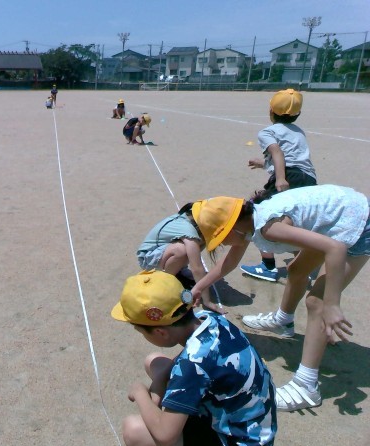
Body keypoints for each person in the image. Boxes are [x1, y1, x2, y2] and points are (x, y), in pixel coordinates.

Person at [189, 185, 370, 412]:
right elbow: (229, 263)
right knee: (297, 270)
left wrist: (332, 304)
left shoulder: (268, 228)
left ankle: (306, 387)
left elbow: (336, 249)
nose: (223, 244)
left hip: (358, 223)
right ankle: (284, 321)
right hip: (332, 221)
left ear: (232, 228)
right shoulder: (249, 222)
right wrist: (199, 287)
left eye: (221, 239)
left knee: (317, 301)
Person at [112, 270, 276, 446]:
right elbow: (196, 360)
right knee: (155, 362)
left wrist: (140, 393)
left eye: (142, 331)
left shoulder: (192, 366)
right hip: (255, 431)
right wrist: (161, 380)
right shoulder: (210, 318)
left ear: (161, 332)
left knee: (134, 430)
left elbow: (165, 436)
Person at [240, 89, 317, 282]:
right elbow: (292, 158)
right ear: (298, 114)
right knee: (297, 219)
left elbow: (278, 153)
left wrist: (281, 178)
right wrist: (263, 164)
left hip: (288, 176)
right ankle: (303, 263)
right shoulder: (299, 132)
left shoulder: (268, 132)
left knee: (257, 214)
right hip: (308, 179)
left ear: (271, 111)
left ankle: (268, 266)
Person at [137, 200, 229, 313]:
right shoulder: (188, 230)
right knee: (182, 251)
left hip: (162, 254)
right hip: (148, 259)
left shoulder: (192, 222)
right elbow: (197, 267)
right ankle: (164, 283)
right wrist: (207, 301)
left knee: (204, 276)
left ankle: (177, 272)